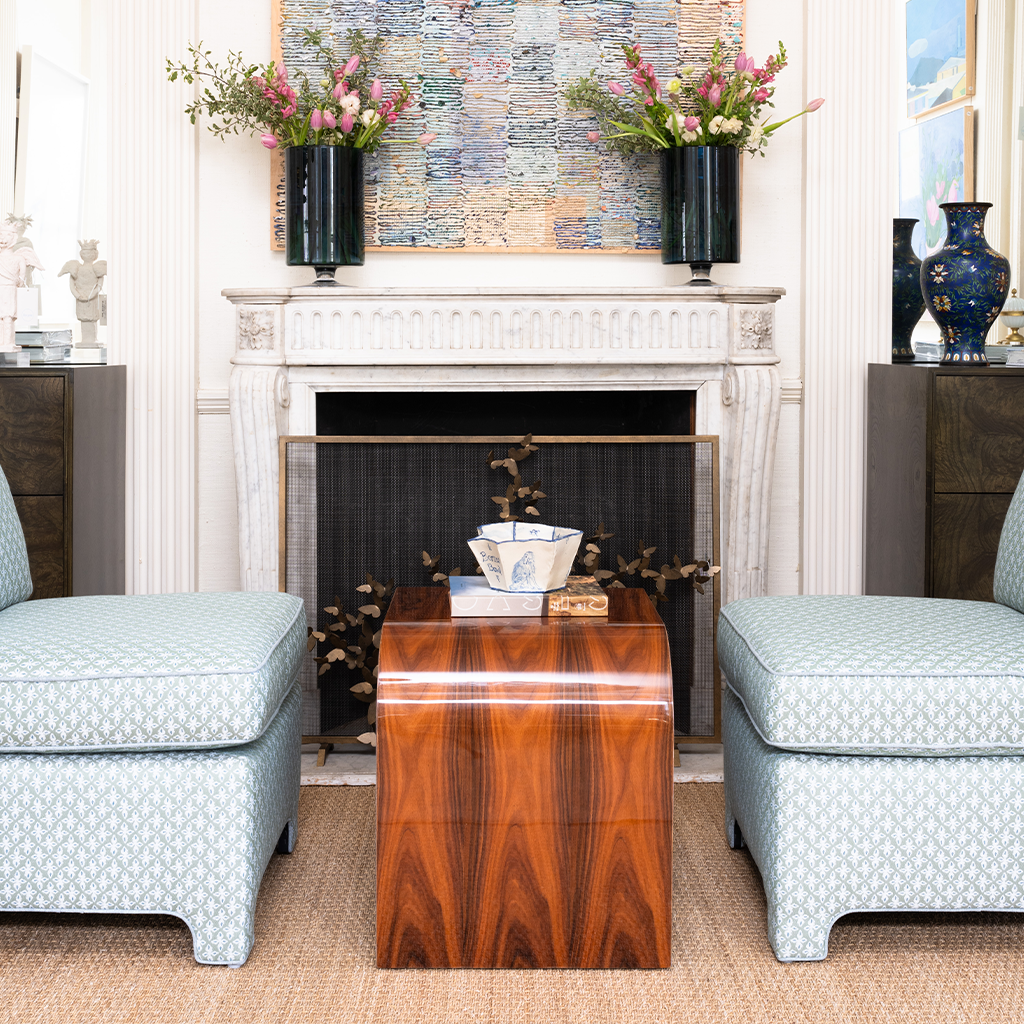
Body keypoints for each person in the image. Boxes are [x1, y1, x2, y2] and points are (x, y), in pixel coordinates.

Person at [0, 222, 44, 352]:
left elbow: (21, 279)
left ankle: (8, 342)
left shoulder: (19, 258)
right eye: (1, 234)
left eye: (6, 235)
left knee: (8, 316)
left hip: (9, 289)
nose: (2, 238)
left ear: (13, 237)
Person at [59, 240, 107, 347]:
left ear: (95, 254)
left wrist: (91, 295)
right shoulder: (76, 268)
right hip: (81, 298)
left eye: (90, 253)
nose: (87, 255)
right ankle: (85, 339)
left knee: (92, 318)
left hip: (92, 299)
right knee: (83, 318)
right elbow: (71, 285)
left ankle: (92, 339)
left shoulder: (98, 268)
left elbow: (99, 285)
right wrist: (78, 295)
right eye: (85, 253)